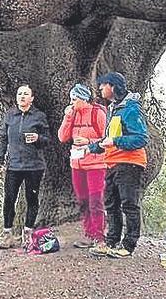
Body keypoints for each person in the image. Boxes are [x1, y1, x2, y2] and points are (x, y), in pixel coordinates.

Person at [87, 71, 147, 258]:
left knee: (129, 204)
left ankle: (128, 245)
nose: (100, 88)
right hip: (112, 163)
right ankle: (111, 241)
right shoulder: (113, 109)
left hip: (129, 163)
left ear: (113, 86)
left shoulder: (131, 109)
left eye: (103, 85)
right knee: (111, 204)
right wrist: (91, 147)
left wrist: (116, 142)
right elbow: (109, 138)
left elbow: (141, 138)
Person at [0, 84, 49, 249]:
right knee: (9, 200)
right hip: (14, 166)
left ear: (32, 98)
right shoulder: (10, 115)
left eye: (26, 94)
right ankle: (7, 235)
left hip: (34, 166)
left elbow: (48, 139)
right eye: (20, 94)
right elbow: (3, 138)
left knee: (32, 199)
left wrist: (38, 138)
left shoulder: (39, 116)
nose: (22, 97)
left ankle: (28, 234)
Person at [58, 83, 107, 248]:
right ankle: (88, 233)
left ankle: (99, 237)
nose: (71, 102)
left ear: (83, 99)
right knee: (83, 200)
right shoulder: (73, 114)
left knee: (95, 201)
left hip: (96, 164)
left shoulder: (98, 113)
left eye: (74, 99)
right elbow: (62, 137)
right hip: (77, 164)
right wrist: (68, 117)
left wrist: (88, 141)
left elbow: (108, 139)